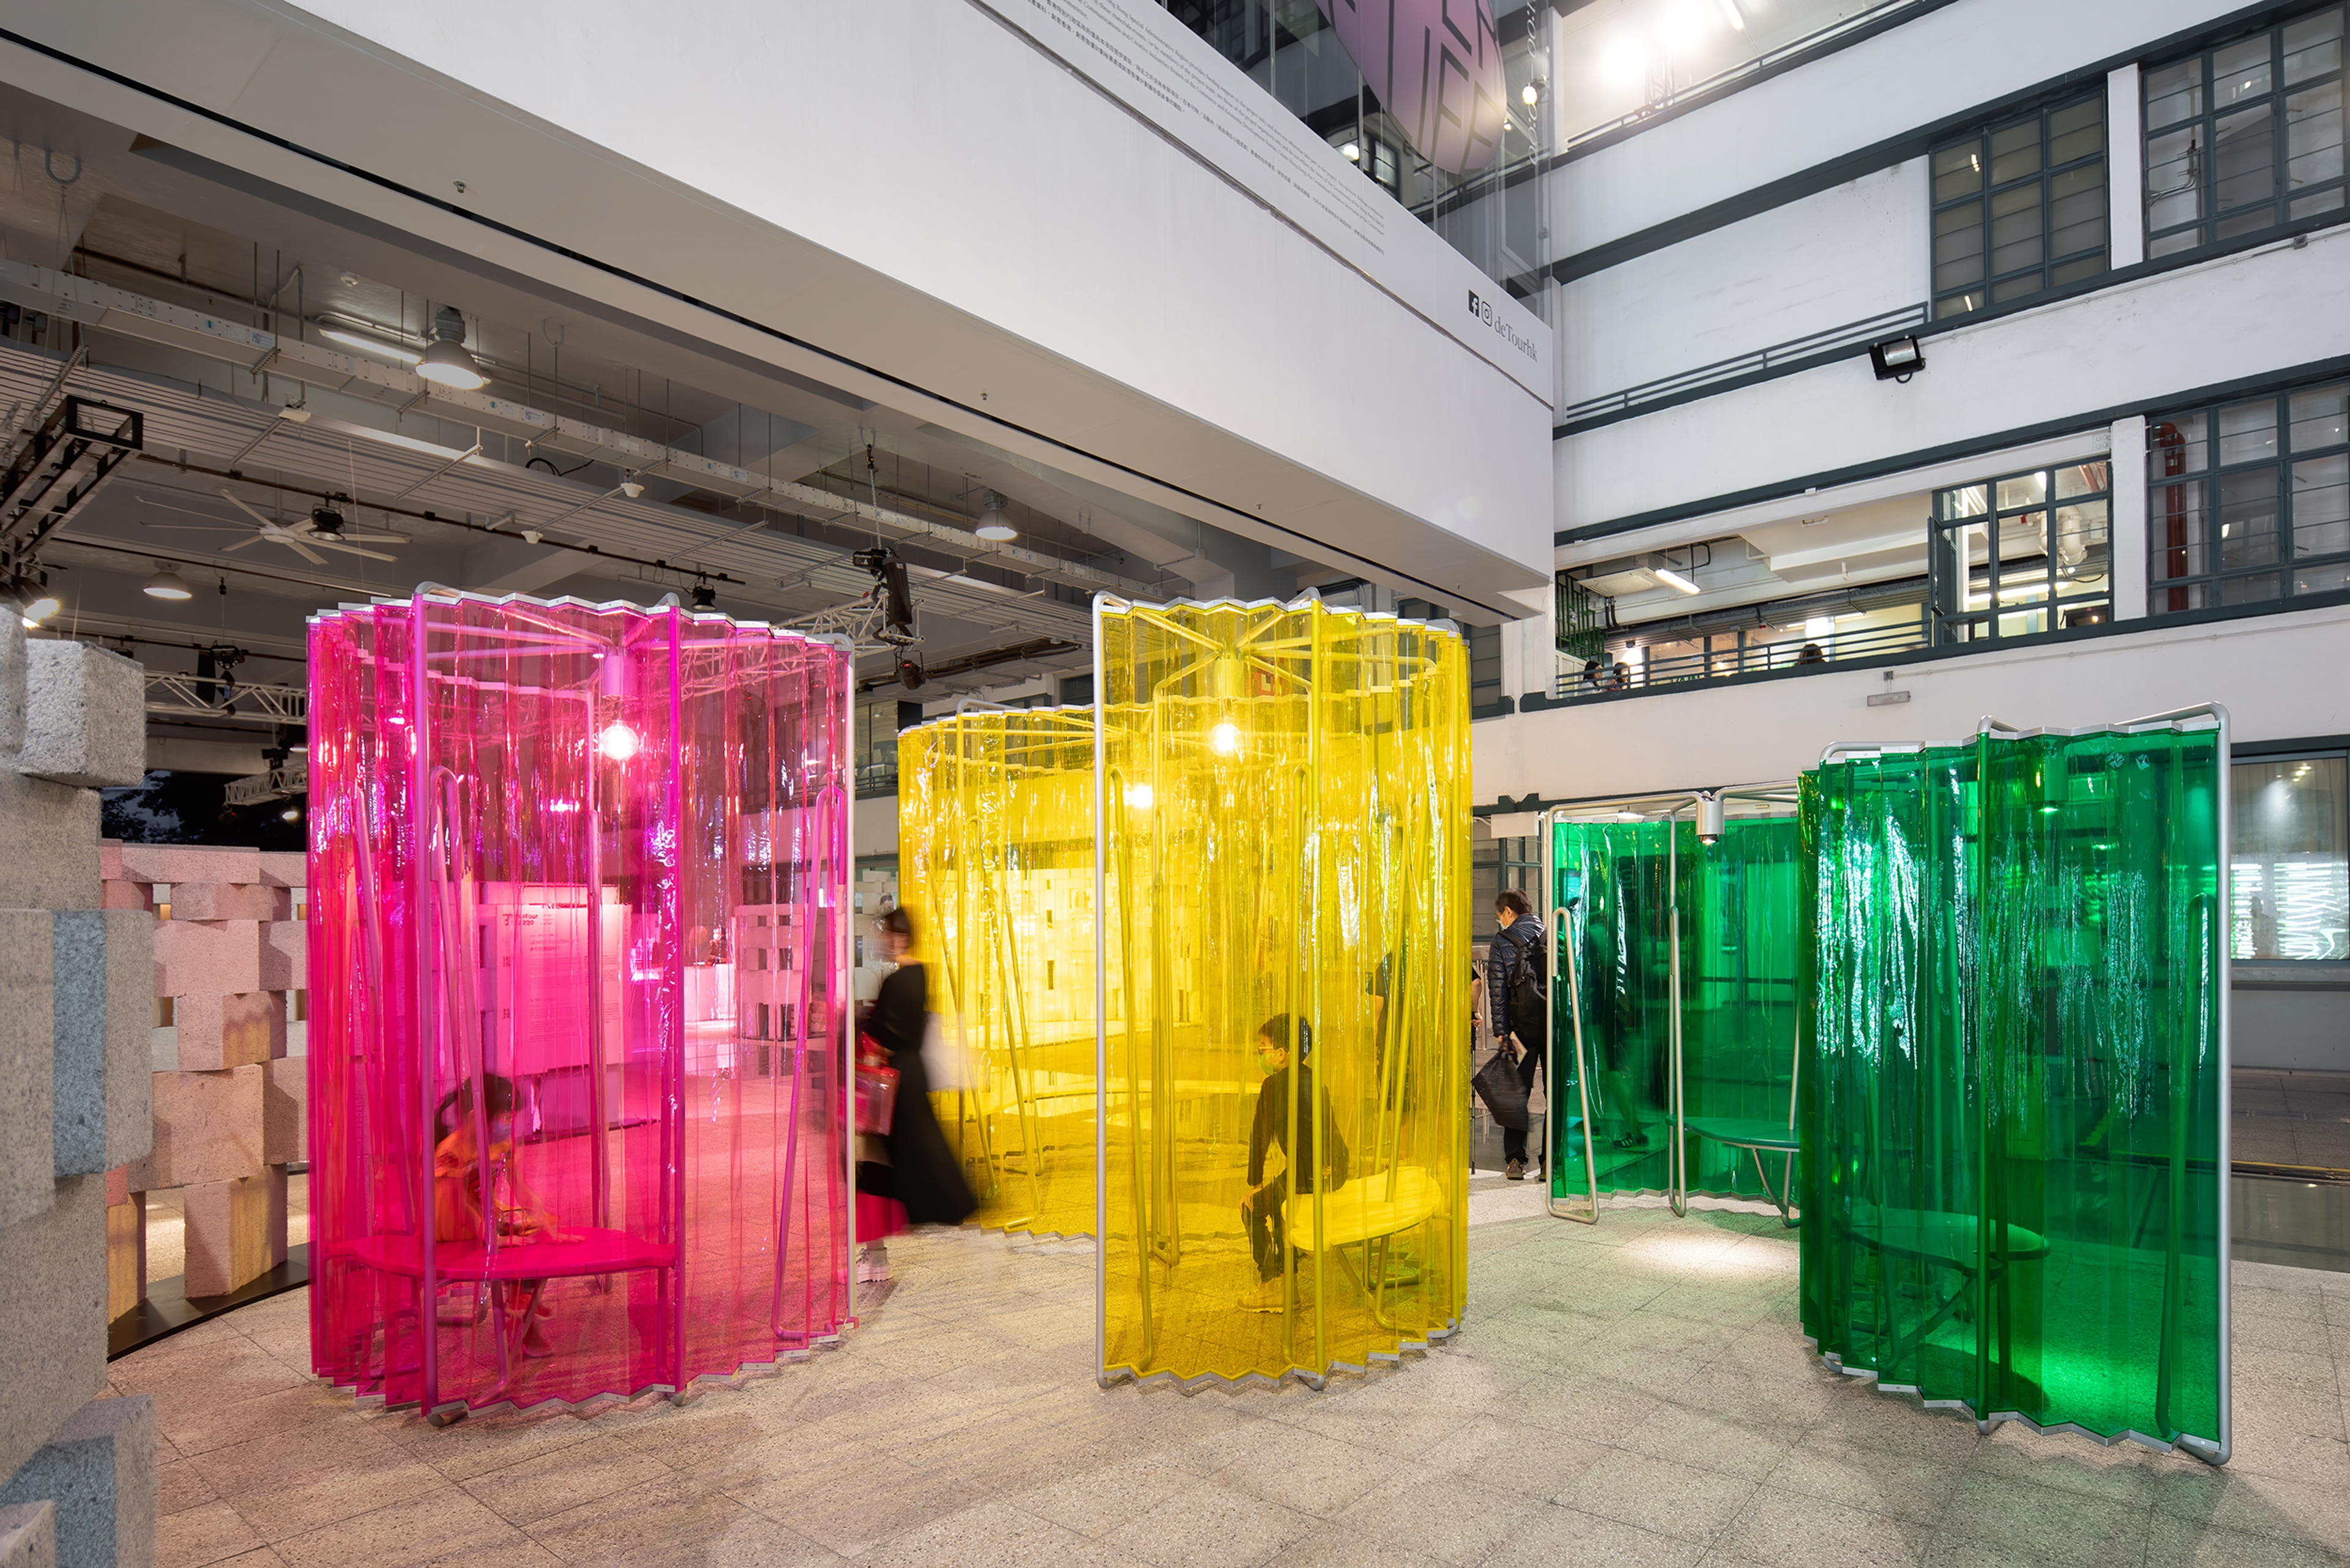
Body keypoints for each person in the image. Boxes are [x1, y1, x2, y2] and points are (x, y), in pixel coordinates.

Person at [857, 906, 975, 1283]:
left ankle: (874, 1257)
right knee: (917, 1157)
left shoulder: (895, 982)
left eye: (887, 934)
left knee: (874, 1167)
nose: (883, 941)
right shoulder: (923, 975)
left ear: (898, 937)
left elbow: (884, 1037)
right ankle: (877, 1254)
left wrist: (864, 1033)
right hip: (912, 1078)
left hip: (889, 1086)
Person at [433, 1072, 567, 1356]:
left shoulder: (500, 1145)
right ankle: (525, 1322)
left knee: (537, 1232)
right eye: (506, 1117)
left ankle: (523, 1302)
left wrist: (544, 1221)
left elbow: (521, 1188)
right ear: (474, 1117)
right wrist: (494, 1238)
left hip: (486, 1215)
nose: (511, 1125)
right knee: (514, 1247)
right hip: (452, 1227)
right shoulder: (452, 1151)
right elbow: (458, 1208)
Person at [1237, 1015, 1349, 1312]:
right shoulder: (1314, 1079)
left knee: (1252, 1208)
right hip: (1333, 1170)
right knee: (1279, 1203)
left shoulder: (1274, 1086)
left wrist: (1254, 1185)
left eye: (1264, 1048)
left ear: (1281, 1054)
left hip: (1307, 1174)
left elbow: (1259, 1139)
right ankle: (1286, 1273)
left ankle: (1274, 1284)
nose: (1261, 1054)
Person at [1487, 890, 1547, 1181]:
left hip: (1519, 1030)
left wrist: (1501, 1032)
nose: (1500, 921)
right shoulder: (1551, 933)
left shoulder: (1501, 942)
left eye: (1500, 916)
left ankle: (1515, 1160)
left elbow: (1497, 990)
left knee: (1516, 1094)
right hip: (1552, 1026)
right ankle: (1551, 1161)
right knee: (1555, 1093)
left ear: (1509, 912)